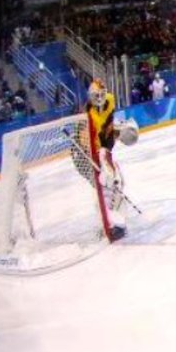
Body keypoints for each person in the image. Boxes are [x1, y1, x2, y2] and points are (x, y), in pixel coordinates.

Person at [74, 79, 128, 240]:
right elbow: (83, 142)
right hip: (85, 156)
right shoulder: (86, 116)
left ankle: (114, 218)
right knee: (104, 185)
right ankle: (107, 224)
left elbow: (108, 126)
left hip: (103, 151)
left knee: (117, 182)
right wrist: (96, 160)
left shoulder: (110, 100)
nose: (100, 98)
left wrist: (118, 130)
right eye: (96, 95)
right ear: (90, 96)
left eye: (102, 94)